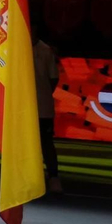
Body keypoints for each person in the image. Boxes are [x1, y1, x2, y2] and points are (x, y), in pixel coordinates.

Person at [34, 31, 63, 194]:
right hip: (20, 108)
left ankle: (53, 178)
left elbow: (53, 78)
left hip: (42, 106)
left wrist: (43, 93)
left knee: (46, 142)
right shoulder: (15, 47)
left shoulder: (46, 51)